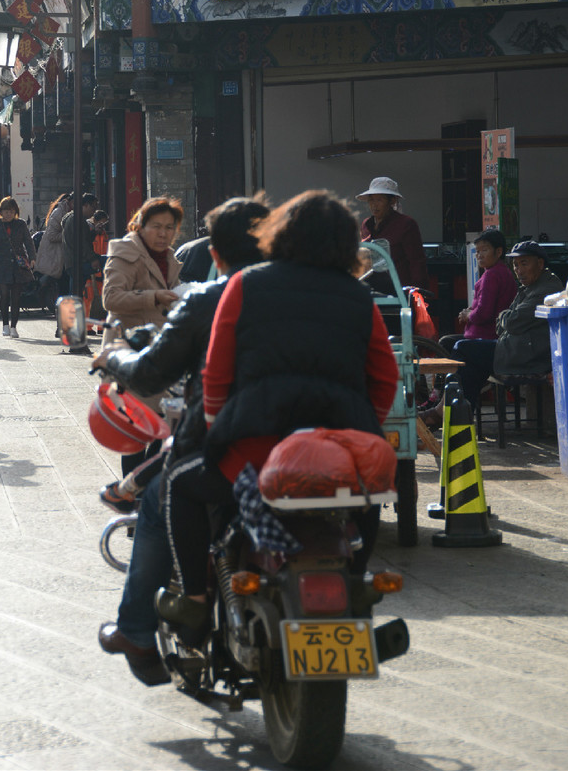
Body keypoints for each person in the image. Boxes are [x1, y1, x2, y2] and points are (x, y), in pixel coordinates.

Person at [157, 189, 399, 634]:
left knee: (178, 483)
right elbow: (384, 380)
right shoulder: (357, 296)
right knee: (365, 499)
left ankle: (193, 599)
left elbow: (217, 375)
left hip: (252, 452)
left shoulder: (248, 285)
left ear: (280, 234)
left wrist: (216, 430)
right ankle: (358, 584)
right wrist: (358, 435)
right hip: (341, 453)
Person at [95, 195, 270, 685]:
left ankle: (148, 621)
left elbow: (153, 373)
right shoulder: (333, 294)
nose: (165, 233)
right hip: (337, 449)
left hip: (238, 448)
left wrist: (112, 361)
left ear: (214, 255)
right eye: (159, 225)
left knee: (163, 497)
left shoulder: (210, 299)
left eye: (172, 226)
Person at [420, 229, 518, 426]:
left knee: (456, 350)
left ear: (498, 252)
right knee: (449, 346)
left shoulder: (493, 275)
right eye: (478, 251)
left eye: (485, 250)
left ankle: (443, 405)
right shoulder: (497, 273)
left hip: (488, 338)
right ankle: (446, 404)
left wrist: (467, 314)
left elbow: (484, 314)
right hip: (485, 337)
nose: (480, 255)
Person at [101, 197, 183, 340]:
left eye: (169, 228)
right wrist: (154, 297)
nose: (163, 234)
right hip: (125, 348)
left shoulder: (169, 258)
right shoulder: (126, 253)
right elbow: (111, 299)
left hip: (158, 348)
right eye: (156, 226)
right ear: (141, 227)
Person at [493, 241, 563, 382]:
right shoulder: (528, 287)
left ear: (540, 264)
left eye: (524, 264)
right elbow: (500, 327)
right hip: (514, 348)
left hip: (530, 356)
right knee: (453, 343)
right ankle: (449, 399)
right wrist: (506, 317)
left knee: (464, 349)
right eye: (516, 265)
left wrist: (503, 315)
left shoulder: (546, 289)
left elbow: (512, 322)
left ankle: (451, 400)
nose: (519, 270)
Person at [356, 175, 429, 289]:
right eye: (371, 200)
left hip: (399, 290)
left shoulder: (406, 224)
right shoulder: (366, 225)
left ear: (392, 200)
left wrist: (419, 291)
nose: (374, 205)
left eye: (379, 200)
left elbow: (416, 261)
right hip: (371, 289)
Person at [0, 197, 36, 338]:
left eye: (11, 211)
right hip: (0, 264)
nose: (8, 214)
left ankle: (14, 327)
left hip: (18, 266)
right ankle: (5, 324)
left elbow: (29, 242)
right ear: (1, 212)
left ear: (15, 212)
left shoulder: (21, 224)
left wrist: (32, 258)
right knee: (4, 294)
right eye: (5, 211)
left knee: (16, 297)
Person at [35, 192, 74, 304]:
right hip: (58, 257)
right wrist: (69, 235)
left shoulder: (69, 212)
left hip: (65, 257)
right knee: (64, 288)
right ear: (70, 202)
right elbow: (52, 236)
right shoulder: (59, 213)